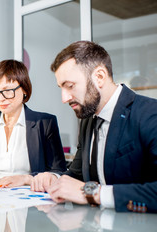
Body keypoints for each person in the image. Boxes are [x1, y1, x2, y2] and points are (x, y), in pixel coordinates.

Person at [31, 41, 157, 213]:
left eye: (70, 86)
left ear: (99, 76)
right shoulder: (88, 120)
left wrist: (94, 194)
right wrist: (54, 179)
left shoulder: (150, 114)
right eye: (61, 88)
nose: (64, 98)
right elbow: (76, 174)